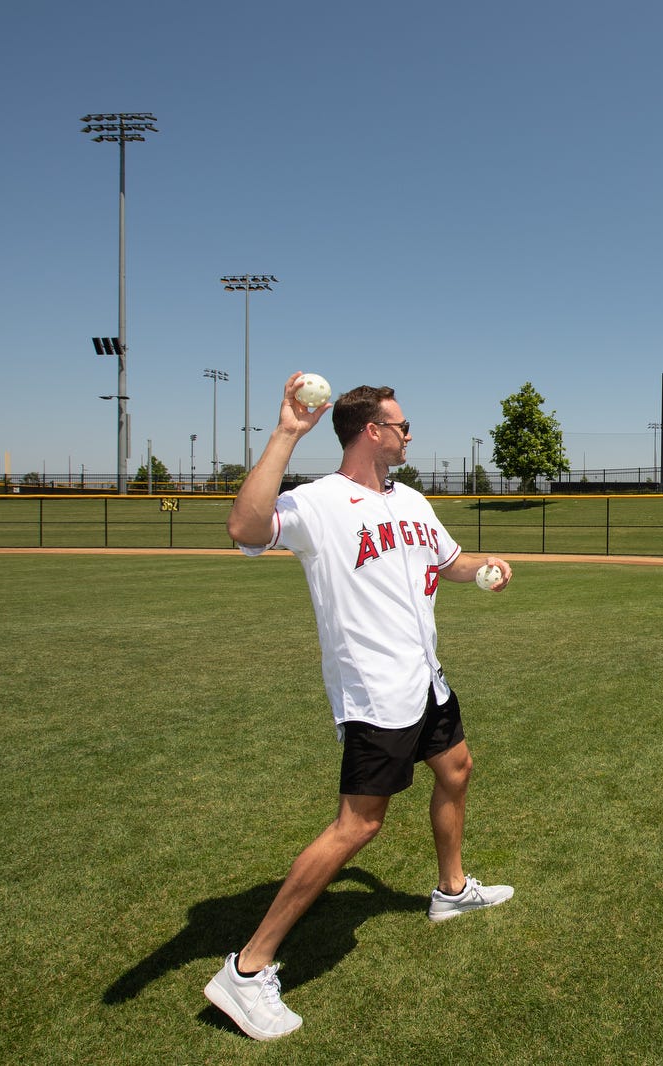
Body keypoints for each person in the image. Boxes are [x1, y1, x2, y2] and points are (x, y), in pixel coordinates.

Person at [205, 373, 516, 1041]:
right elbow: (244, 527)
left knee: (456, 767)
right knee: (357, 827)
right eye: (401, 426)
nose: (409, 435)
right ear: (372, 432)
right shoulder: (319, 503)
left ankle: (451, 892)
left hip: (425, 678)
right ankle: (247, 968)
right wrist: (288, 432)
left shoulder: (412, 500)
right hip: (377, 692)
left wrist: (482, 567)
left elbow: (449, 562)